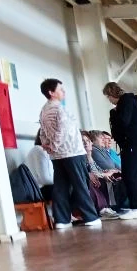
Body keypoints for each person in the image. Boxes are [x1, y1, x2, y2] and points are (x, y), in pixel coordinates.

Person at [37, 78, 101, 229]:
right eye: (60, 89)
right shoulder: (60, 109)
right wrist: (54, 145)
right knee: (80, 185)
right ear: (51, 92)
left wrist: (48, 146)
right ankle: (91, 217)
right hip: (72, 152)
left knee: (61, 187)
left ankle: (62, 220)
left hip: (57, 155)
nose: (63, 91)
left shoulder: (44, 110)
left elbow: (42, 132)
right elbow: (63, 131)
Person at [103, 81, 137, 220]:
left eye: (108, 96)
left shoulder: (125, 102)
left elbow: (123, 122)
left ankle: (134, 208)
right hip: (136, 141)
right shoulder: (130, 101)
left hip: (131, 142)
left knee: (130, 175)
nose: (109, 100)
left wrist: (113, 115)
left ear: (112, 94)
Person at [26, 131, 54, 201]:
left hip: (39, 190)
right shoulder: (40, 151)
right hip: (40, 191)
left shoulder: (38, 150)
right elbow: (45, 179)